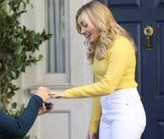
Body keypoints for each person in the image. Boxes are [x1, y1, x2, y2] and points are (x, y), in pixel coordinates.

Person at [50, 1, 146, 139]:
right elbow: (99, 91)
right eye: (80, 27)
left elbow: (107, 86)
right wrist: (93, 125)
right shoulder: (100, 48)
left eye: (84, 25)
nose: (82, 31)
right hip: (107, 113)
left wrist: (66, 93)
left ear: (98, 20)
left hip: (125, 112)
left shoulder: (120, 44)